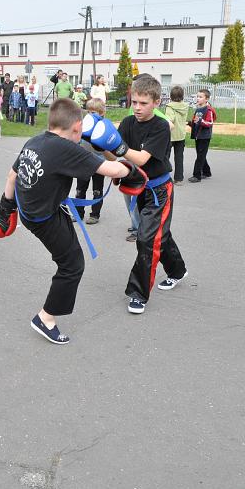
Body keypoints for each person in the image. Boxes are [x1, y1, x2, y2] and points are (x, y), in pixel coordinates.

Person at [0, 98, 131, 344]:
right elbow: (115, 170)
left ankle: (47, 315)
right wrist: (131, 169)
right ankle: (45, 318)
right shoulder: (66, 149)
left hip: (33, 211)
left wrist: (5, 207)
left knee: (70, 256)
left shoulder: (35, 141)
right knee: (72, 265)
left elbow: (12, 175)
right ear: (77, 127)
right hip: (45, 219)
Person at [90, 76, 187, 314]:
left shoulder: (160, 127)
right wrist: (100, 145)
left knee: (146, 239)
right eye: (134, 102)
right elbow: (116, 157)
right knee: (159, 233)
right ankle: (177, 270)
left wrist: (118, 146)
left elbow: (142, 159)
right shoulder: (127, 122)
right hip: (139, 188)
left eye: (143, 103)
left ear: (156, 102)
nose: (137, 107)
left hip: (160, 191)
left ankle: (138, 293)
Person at [74, 98, 107, 225]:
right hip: (83, 163)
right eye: (89, 112)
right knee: (80, 190)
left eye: (94, 112)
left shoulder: (104, 126)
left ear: (102, 113)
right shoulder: (84, 125)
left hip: (99, 164)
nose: (90, 114)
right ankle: (78, 213)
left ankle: (95, 214)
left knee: (97, 190)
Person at [188, 88, 215, 183]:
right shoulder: (198, 109)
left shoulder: (208, 110)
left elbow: (210, 123)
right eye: (197, 96)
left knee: (200, 156)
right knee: (201, 155)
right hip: (198, 136)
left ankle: (197, 176)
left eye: (200, 97)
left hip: (205, 136)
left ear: (206, 99)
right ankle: (207, 172)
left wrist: (200, 121)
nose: (198, 98)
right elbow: (196, 122)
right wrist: (191, 123)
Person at [165, 85, 188, 184]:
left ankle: (164, 176)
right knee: (179, 157)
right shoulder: (185, 106)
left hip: (170, 135)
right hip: (181, 135)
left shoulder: (170, 107)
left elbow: (170, 119)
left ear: (171, 96)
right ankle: (179, 178)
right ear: (182, 96)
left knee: (165, 157)